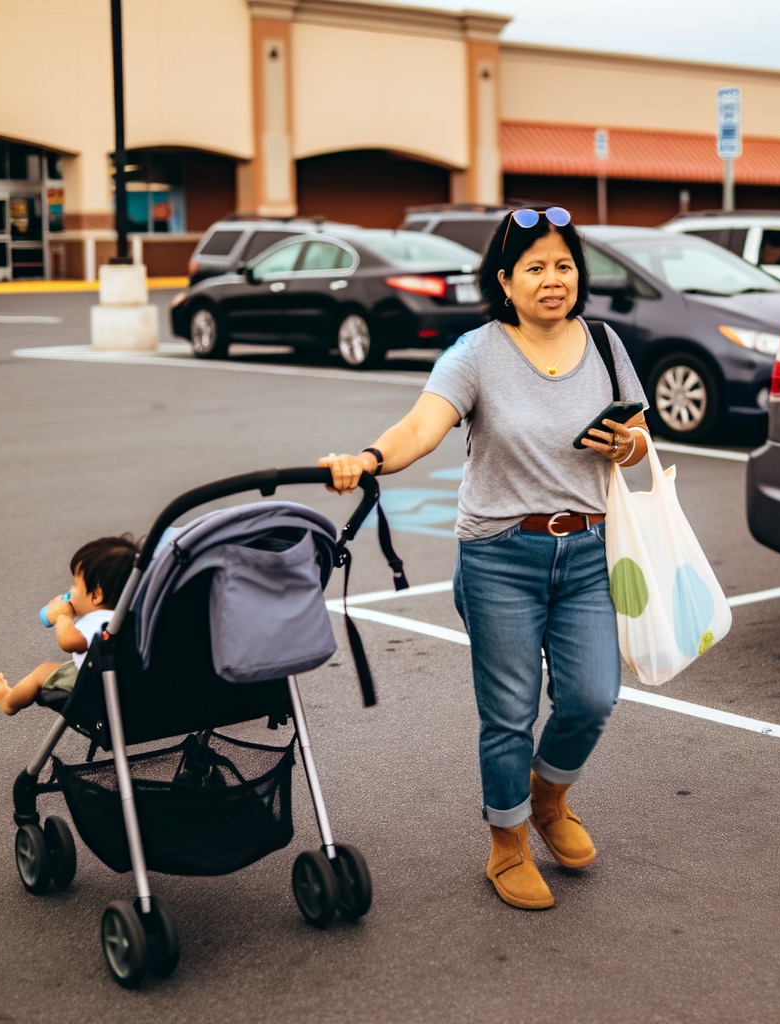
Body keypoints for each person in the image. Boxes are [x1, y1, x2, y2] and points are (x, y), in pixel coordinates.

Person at [319, 207, 650, 911]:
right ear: (505, 279)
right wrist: (370, 459)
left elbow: (640, 435)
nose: (552, 280)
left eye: (564, 265)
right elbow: (422, 426)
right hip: (502, 553)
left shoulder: (607, 345)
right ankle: (506, 846)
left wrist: (628, 445)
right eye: (535, 267)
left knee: (593, 696)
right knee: (508, 713)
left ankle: (548, 800)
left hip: (589, 549)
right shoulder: (476, 352)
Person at [0, 535, 137, 715]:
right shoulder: (135, 616)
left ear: (96, 595)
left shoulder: (100, 620)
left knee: (43, 672)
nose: (70, 590)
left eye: (75, 585)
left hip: (98, 684)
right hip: (134, 681)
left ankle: (9, 701)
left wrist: (62, 616)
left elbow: (70, 642)